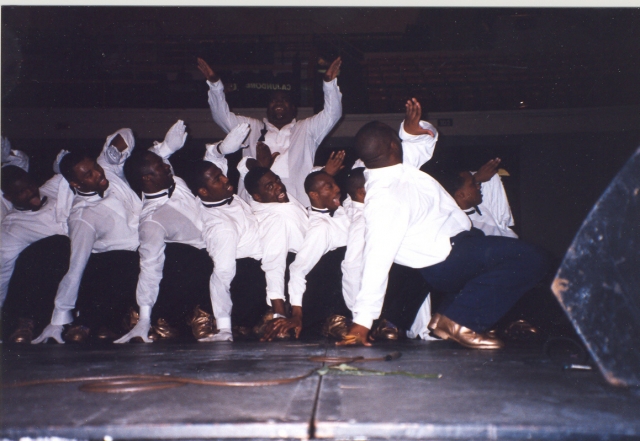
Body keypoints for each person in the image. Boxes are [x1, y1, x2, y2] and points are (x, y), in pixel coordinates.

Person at [338, 120, 548, 349]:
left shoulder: (399, 172)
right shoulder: (385, 196)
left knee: (507, 264)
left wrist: (411, 133)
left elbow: (422, 145)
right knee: (531, 258)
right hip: (448, 258)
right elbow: (376, 256)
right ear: (392, 146)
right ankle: (459, 320)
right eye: (399, 141)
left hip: (461, 245)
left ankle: (448, 315)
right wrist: (362, 319)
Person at [32, 129, 143, 344]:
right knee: (123, 267)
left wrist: (113, 152)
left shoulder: (108, 169)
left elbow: (126, 133)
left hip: (144, 249)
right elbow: (75, 267)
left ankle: (106, 324)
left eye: (95, 167)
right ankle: (85, 324)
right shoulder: (83, 217)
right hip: (114, 264)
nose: (98, 174)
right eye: (88, 174)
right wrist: (58, 318)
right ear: (75, 184)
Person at [115, 121, 215, 343]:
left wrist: (166, 149)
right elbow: (150, 269)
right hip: (190, 268)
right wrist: (144, 316)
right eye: (161, 166)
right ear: (147, 179)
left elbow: (149, 160)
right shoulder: (152, 220)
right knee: (187, 255)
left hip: (213, 254)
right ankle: (150, 316)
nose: (167, 166)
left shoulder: (175, 182)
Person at [196, 56, 343, 206]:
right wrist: (215, 85)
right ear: (267, 109)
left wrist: (329, 83)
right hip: (255, 207)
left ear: (294, 108)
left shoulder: (306, 129)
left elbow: (332, 115)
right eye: (274, 100)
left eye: (284, 100)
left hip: (297, 206)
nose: (278, 102)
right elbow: (222, 116)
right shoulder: (251, 128)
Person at [185, 123, 270, 341]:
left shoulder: (216, 195)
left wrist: (221, 149)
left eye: (222, 175)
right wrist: (224, 327)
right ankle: (216, 317)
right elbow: (221, 277)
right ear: (203, 191)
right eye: (218, 180)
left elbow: (211, 164)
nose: (225, 179)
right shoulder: (221, 226)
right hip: (247, 275)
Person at [264, 152, 351, 341]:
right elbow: (297, 270)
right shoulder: (320, 228)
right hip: (323, 294)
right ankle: (333, 319)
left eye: (335, 184)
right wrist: (297, 314)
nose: (337, 189)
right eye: (330, 186)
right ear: (314, 195)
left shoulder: (339, 209)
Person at [238, 145, 309, 338]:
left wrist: (260, 165)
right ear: (257, 197)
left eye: (277, 181)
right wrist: (280, 312)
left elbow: (248, 169)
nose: (278, 186)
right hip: (290, 269)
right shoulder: (274, 219)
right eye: (270, 186)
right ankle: (274, 315)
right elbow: (274, 263)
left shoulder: (277, 199)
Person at [0, 161, 69, 343]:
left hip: (84, 264)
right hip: (50, 281)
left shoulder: (50, 190)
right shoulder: (12, 228)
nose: (30, 192)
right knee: (56, 244)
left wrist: (60, 163)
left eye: (30, 186)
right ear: (9, 197)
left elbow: (68, 172)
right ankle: (25, 322)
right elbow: (3, 275)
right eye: (21, 192)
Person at [438, 159, 518, 238]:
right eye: (473, 183)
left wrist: (475, 178)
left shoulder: (477, 206)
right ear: (461, 195)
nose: (479, 186)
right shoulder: (463, 224)